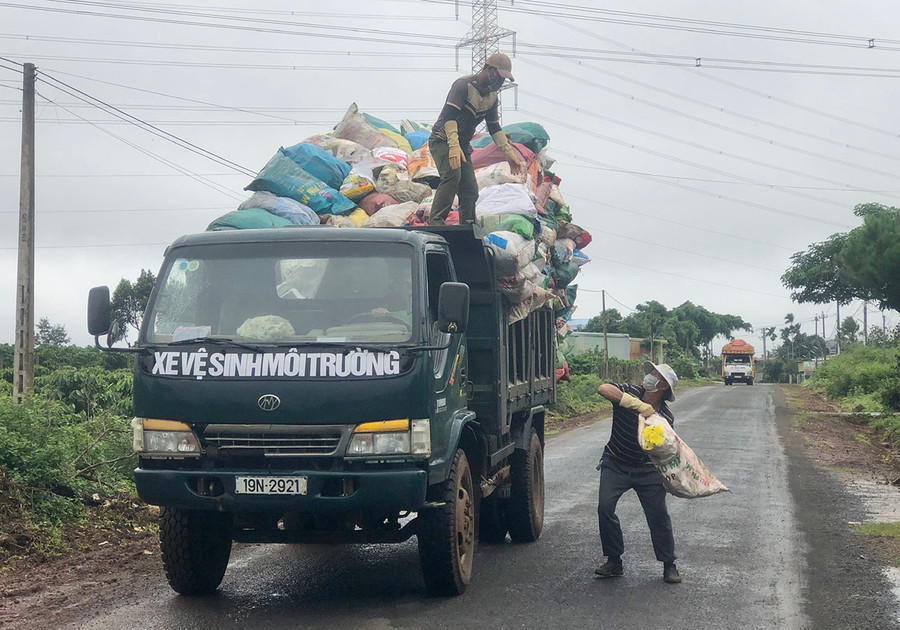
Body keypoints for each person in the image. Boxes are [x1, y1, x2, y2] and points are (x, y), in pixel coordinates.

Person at [594, 361, 682, 584]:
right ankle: (614, 561)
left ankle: (668, 564)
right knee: (605, 507)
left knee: (658, 516)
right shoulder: (631, 391)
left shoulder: (665, 418)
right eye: (651, 373)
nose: (649, 377)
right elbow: (603, 388)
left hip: (647, 469)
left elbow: (666, 451)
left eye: (655, 375)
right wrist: (635, 405)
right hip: (615, 462)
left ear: (663, 386)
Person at [427, 52, 524, 225]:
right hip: (443, 140)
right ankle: (436, 222)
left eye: (503, 80)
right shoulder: (463, 86)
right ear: (489, 69)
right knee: (452, 177)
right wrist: (453, 146)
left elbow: (494, 128)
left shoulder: (492, 98)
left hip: (462, 146)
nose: (500, 83)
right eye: (499, 77)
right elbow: (450, 117)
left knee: (470, 189)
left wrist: (509, 154)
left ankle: (468, 225)